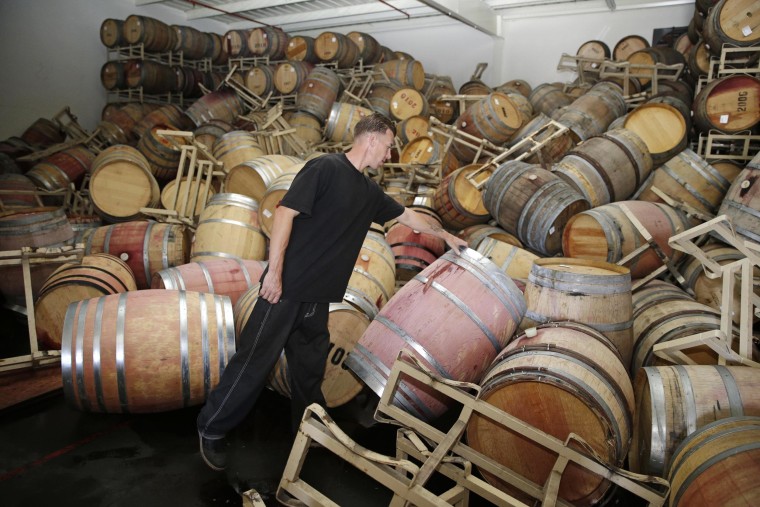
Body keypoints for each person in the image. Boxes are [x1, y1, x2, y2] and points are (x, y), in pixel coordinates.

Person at [197, 112, 467, 471]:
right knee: (254, 361)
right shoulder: (324, 168)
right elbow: (283, 214)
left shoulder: (369, 192)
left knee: (309, 371)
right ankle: (211, 429)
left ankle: (307, 432)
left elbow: (408, 217)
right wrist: (274, 275)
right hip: (286, 289)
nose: (388, 155)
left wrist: (446, 235)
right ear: (371, 139)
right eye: (387, 146)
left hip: (317, 298)